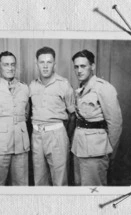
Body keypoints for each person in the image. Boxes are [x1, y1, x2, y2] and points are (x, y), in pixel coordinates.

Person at [71, 49, 122, 186]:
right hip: (79, 147)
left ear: (92, 66)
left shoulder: (104, 88)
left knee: (93, 190)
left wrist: (108, 150)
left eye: (83, 66)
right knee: (79, 187)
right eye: (76, 67)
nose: (79, 70)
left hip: (96, 151)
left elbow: (115, 123)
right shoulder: (81, 88)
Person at [0, 51, 30, 186]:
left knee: (21, 185)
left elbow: (26, 114)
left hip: (21, 144)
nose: (10, 68)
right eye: (6, 64)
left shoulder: (24, 88)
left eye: (13, 64)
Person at [29, 47, 76, 186]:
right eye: (41, 62)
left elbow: (73, 115)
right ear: (36, 63)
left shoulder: (64, 84)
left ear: (54, 64)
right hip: (37, 135)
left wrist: (64, 136)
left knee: (60, 180)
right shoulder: (32, 85)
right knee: (39, 180)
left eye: (49, 62)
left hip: (57, 134)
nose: (45, 65)